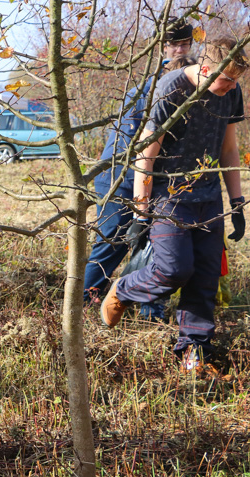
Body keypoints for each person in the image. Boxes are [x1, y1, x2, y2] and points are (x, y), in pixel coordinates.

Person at [101, 38, 247, 369]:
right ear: (206, 68)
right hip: (170, 198)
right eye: (225, 79)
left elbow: (228, 150)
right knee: (173, 269)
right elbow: (146, 152)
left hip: (209, 197)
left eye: (236, 81)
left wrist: (236, 201)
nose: (230, 87)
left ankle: (193, 349)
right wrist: (141, 213)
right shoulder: (172, 89)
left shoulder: (232, 92)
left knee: (206, 277)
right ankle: (124, 289)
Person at [84, 18, 196, 320]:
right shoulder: (156, 85)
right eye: (174, 44)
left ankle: (150, 310)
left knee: (154, 244)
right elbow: (136, 144)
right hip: (121, 175)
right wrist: (141, 198)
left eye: (185, 43)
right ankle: (86, 303)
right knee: (113, 241)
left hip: (153, 178)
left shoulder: (188, 81)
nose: (179, 49)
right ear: (162, 47)